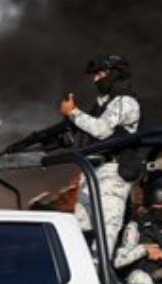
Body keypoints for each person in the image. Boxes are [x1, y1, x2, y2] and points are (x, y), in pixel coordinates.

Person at [60, 55, 142, 259]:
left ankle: (100, 281)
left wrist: (74, 113)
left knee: (104, 242)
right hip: (92, 174)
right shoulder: (102, 105)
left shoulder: (126, 102)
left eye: (101, 74)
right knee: (79, 235)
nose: (96, 79)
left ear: (115, 74)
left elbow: (102, 130)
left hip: (113, 175)